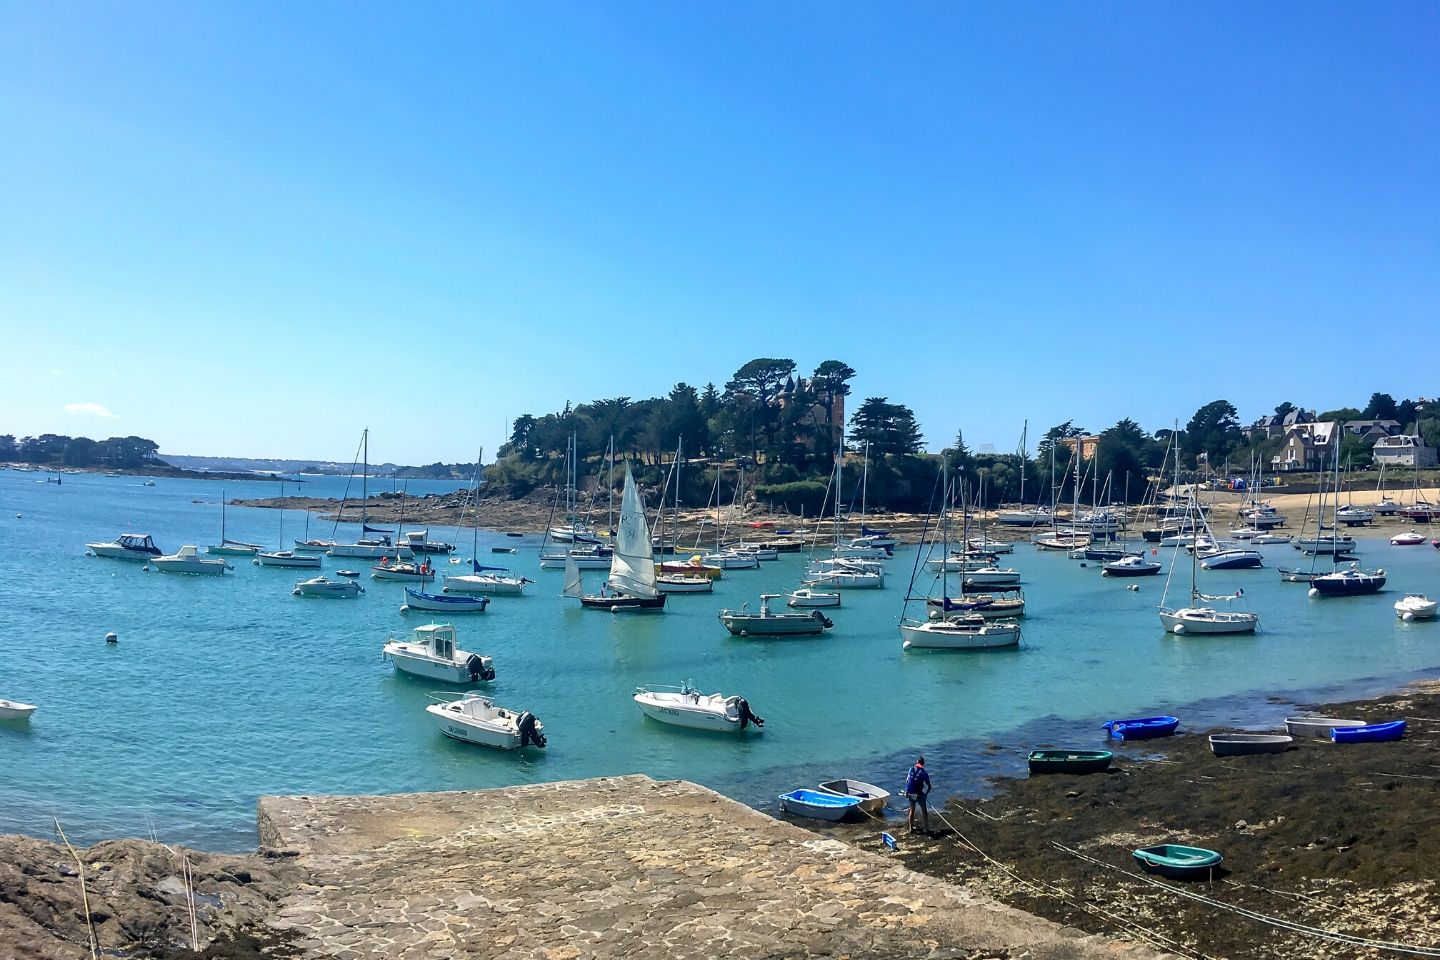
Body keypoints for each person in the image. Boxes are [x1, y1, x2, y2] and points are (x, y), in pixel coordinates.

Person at [904, 756, 931, 834]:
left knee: (912, 810)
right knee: (924, 811)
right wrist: (926, 794)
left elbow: (907, 781)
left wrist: (906, 792)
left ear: (917, 762)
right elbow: (929, 786)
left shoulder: (911, 769)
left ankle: (910, 829)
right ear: (923, 764)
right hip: (919, 793)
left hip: (910, 793)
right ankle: (926, 829)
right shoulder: (924, 773)